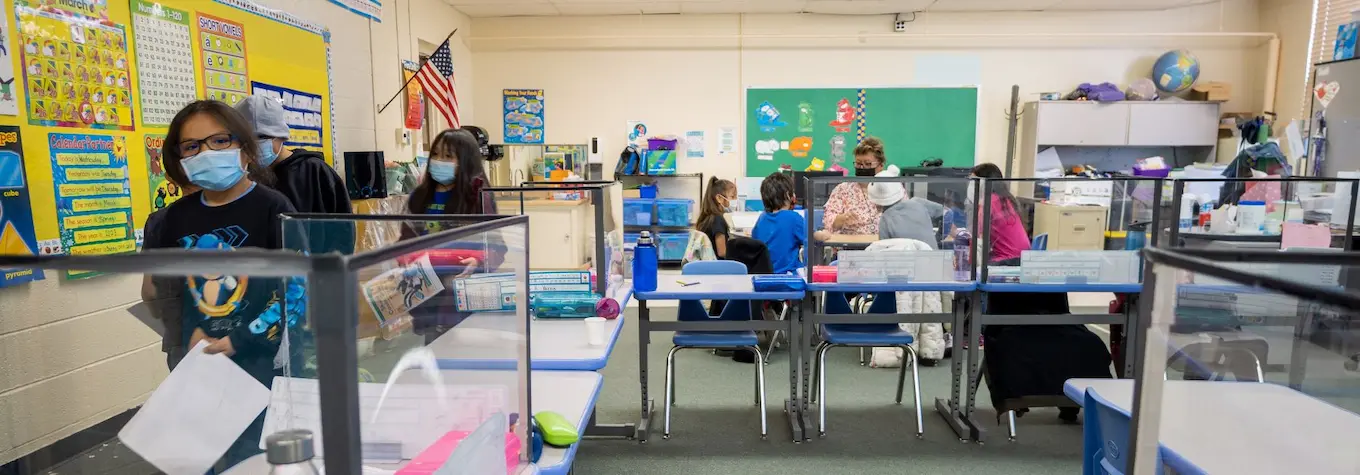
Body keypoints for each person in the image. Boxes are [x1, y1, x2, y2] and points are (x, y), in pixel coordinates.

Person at [142, 99, 304, 472]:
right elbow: (164, 291)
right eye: (192, 146)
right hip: (199, 365)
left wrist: (241, 340)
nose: (205, 152)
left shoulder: (274, 208)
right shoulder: (174, 218)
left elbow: (295, 291)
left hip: (260, 364)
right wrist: (187, 334)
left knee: (254, 461)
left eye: (218, 141)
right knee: (204, 459)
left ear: (245, 149)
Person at [234, 95, 350, 215]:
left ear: (281, 136)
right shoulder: (244, 176)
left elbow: (342, 223)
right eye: (247, 141)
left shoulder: (314, 172)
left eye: (262, 138)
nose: (254, 147)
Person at [140, 177, 200, 371]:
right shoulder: (246, 212)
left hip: (182, 339)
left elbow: (150, 293)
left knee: (188, 399)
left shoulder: (159, 221)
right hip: (241, 338)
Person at [866, 165, 945, 249]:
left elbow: (884, 252)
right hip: (934, 259)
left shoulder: (885, 220)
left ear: (877, 202)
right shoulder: (919, 202)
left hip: (906, 261)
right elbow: (948, 213)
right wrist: (939, 237)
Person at [822, 136, 888, 235]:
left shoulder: (891, 189)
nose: (862, 167)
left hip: (884, 247)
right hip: (850, 247)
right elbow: (828, 220)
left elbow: (904, 218)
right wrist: (842, 219)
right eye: (858, 163)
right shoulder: (843, 190)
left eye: (868, 164)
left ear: (881, 166)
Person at [970, 163, 1030, 262]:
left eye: (974, 181)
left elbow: (977, 239)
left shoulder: (988, 203)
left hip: (1008, 260)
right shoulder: (1006, 199)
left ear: (984, 183)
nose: (970, 185)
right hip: (1022, 258)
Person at [752, 172, 807, 275]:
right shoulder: (793, 218)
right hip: (788, 279)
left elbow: (755, 238)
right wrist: (822, 234)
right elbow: (812, 238)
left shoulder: (762, 217)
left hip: (764, 278)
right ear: (787, 194)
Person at [695, 176, 737, 259]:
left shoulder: (708, 217)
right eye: (732, 197)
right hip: (718, 267)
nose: (735, 200)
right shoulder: (718, 220)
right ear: (719, 198)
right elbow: (722, 252)